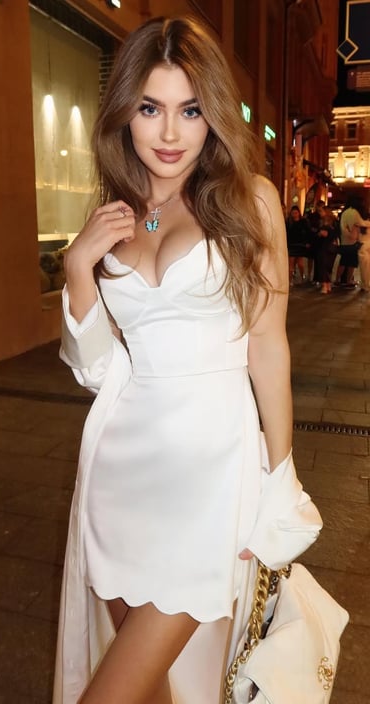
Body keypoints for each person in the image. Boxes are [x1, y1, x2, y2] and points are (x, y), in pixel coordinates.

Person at [54, 16, 322, 704]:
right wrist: (79, 268)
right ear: (126, 112)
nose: (170, 133)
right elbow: (97, 371)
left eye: (190, 110)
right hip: (118, 480)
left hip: (210, 480)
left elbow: (268, 345)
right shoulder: (121, 213)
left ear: (214, 115)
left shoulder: (248, 201)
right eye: (151, 108)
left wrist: (279, 480)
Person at [335, 196, 370, 289]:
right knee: (352, 263)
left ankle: (338, 280)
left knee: (343, 261)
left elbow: (344, 227)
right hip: (353, 241)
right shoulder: (354, 212)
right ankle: (349, 280)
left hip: (345, 241)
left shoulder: (345, 212)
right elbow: (361, 223)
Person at [314, 205, 340, 294]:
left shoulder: (327, 223)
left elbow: (325, 234)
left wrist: (321, 233)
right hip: (331, 246)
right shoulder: (334, 222)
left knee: (324, 266)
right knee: (328, 266)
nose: (320, 213)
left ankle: (325, 285)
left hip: (325, 246)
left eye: (321, 211)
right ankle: (328, 284)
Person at [286, 205, 312, 284]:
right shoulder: (289, 222)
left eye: (296, 213)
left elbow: (308, 232)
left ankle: (302, 276)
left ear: (298, 213)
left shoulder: (303, 222)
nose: (294, 215)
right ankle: (290, 280)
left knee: (300, 263)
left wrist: (307, 242)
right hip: (292, 244)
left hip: (301, 244)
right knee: (291, 264)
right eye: (293, 213)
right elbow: (287, 233)